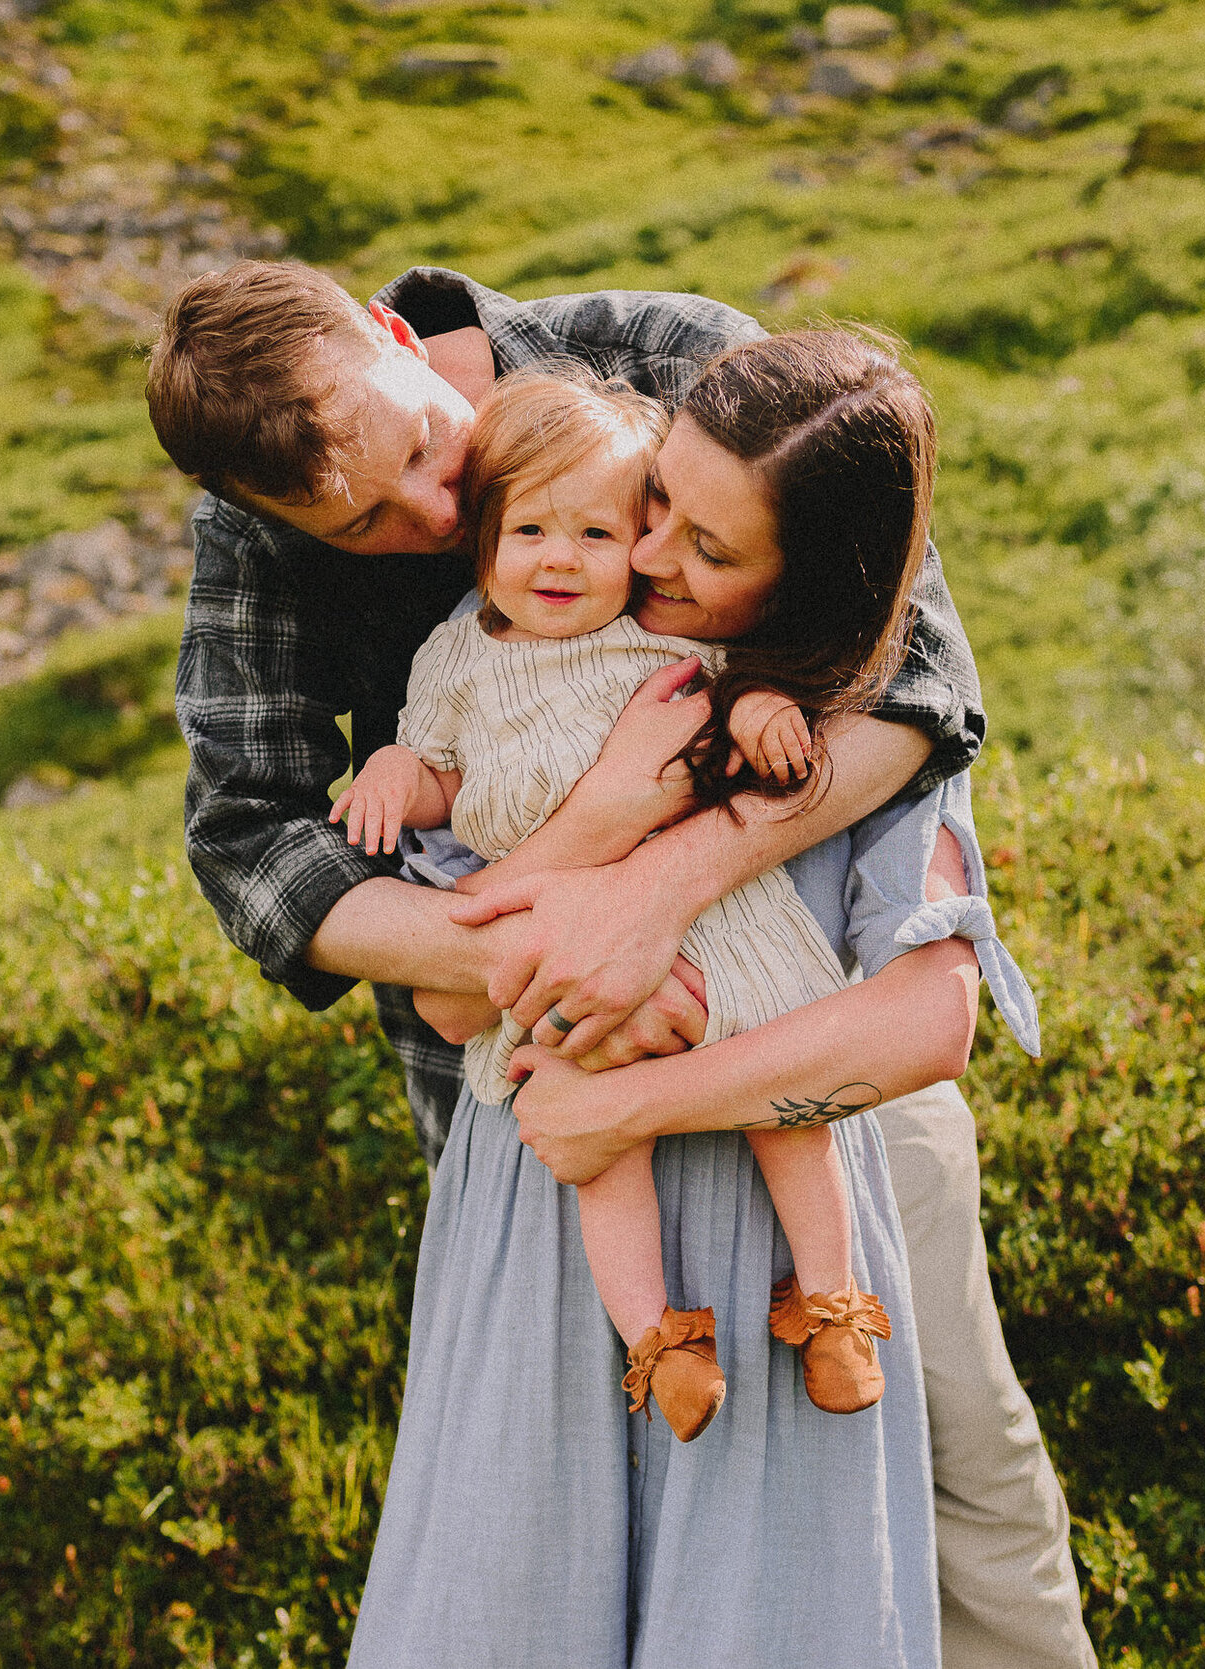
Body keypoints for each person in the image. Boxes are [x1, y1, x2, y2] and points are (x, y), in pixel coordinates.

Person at [149, 260, 1095, 1667]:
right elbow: (254, 848)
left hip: (821, 1076)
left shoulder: (679, 362)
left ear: (401, 337)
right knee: (572, 1563)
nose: (429, 519)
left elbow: (914, 684)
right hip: (546, 1115)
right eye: (361, 526)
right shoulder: (261, 532)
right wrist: (538, 944)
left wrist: (652, 888)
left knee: (954, 1478)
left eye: (421, 452)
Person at [333, 366, 963, 1438]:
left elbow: (743, 685)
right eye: (531, 529)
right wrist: (406, 771)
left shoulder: (678, 637)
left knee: (776, 1125)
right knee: (597, 1158)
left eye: (605, 527)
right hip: (553, 985)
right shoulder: (461, 654)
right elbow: (447, 961)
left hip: (731, 961)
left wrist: (763, 708)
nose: (597, 557)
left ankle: (829, 1300)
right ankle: (657, 1336)